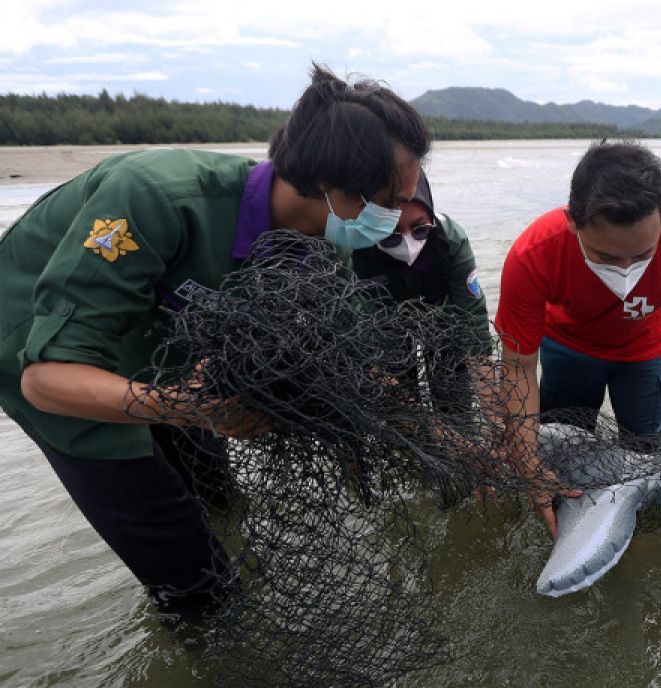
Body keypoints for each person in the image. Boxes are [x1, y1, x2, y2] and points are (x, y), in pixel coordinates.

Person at [0, 64, 430, 614]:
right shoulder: (157, 196)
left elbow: (357, 357)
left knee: (221, 503)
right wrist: (190, 408)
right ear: (331, 186)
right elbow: (45, 379)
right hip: (51, 357)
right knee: (188, 566)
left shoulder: (324, 237)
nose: (395, 221)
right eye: (390, 204)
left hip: (169, 351)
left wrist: (446, 441)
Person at [494, 141, 661, 536]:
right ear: (573, 220)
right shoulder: (535, 253)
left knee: (645, 456)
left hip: (643, 353)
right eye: (607, 257)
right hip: (568, 347)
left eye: (643, 255)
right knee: (557, 456)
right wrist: (527, 465)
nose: (626, 270)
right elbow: (518, 365)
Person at [352, 170, 492, 415]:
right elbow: (365, 345)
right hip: (384, 323)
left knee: (454, 396)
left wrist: (496, 419)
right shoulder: (356, 249)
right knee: (395, 407)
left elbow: (473, 327)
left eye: (419, 229)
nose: (408, 243)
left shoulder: (451, 239)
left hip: (441, 318)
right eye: (391, 236)